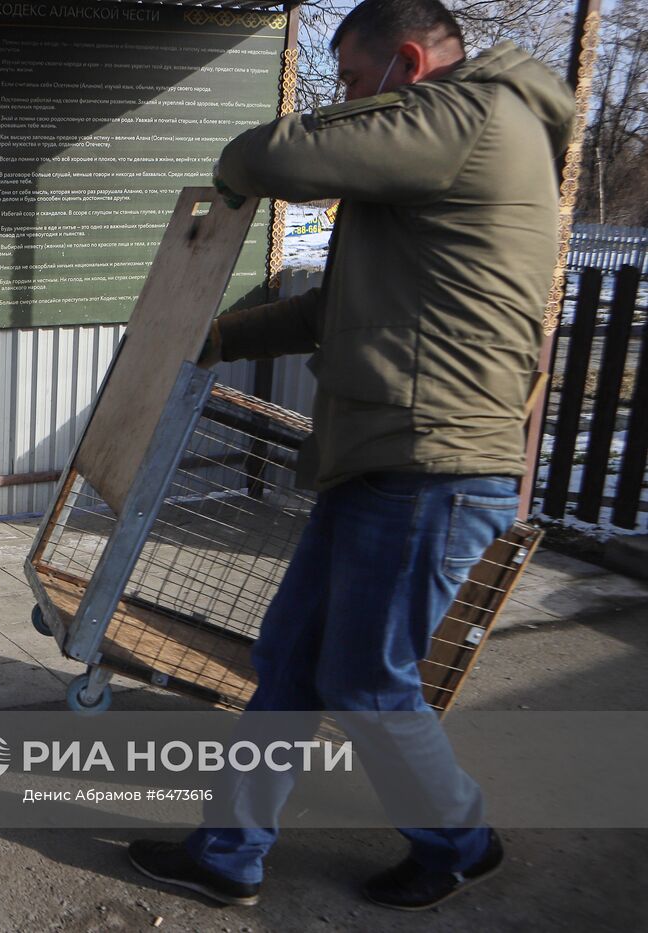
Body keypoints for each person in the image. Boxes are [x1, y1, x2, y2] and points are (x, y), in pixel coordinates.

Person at [128, 0, 574, 912]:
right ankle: (226, 854)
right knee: (291, 656)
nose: (344, 102)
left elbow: (273, 156)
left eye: (353, 84)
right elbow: (346, 306)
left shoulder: (470, 116)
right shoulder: (449, 147)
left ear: (408, 65)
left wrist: (242, 162)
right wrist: (216, 333)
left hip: (431, 464)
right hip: (386, 458)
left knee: (369, 683)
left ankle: (460, 840)